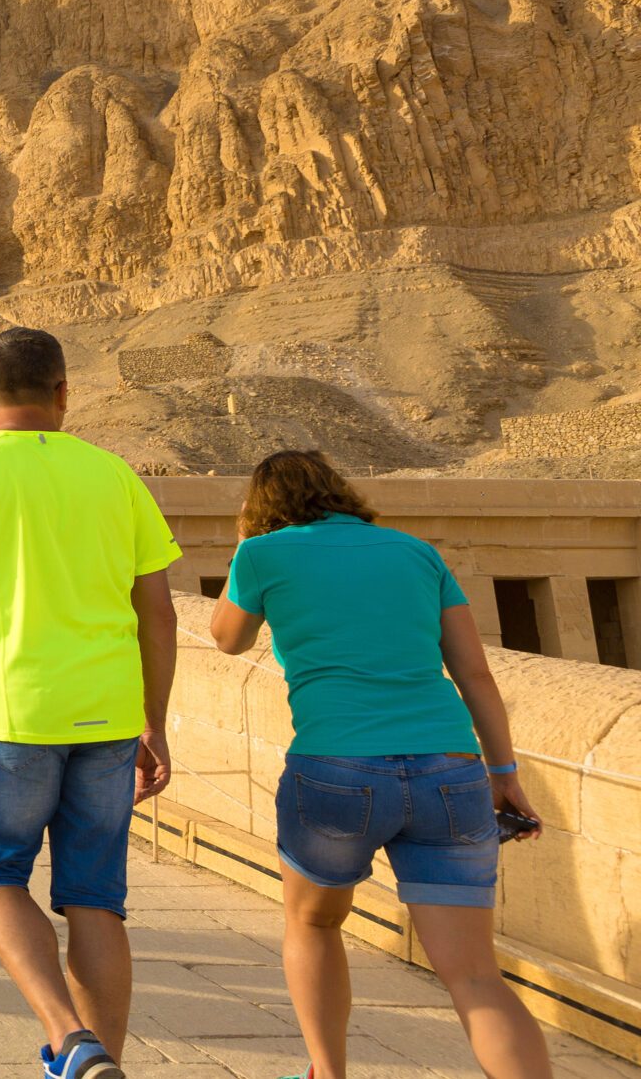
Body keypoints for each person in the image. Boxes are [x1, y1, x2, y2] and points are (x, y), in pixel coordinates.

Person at [210, 452, 551, 1079]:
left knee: (313, 924)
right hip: (449, 770)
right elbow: (474, 672)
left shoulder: (262, 554)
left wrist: (246, 549)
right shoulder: (417, 552)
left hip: (335, 769)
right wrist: (503, 774)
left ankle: (328, 1074)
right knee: (475, 974)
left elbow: (227, 637)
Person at [0, 327, 179, 1079]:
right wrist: (153, 721)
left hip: (15, 716)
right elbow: (159, 612)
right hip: (110, 717)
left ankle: (69, 1037)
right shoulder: (117, 476)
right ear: (64, 394)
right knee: (96, 898)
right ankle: (103, 1061)